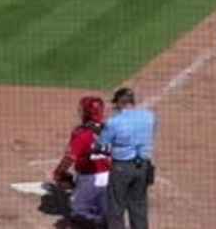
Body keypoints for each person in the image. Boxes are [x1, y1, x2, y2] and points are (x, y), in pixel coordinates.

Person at [99, 86, 157, 229]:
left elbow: (103, 147)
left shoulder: (114, 122)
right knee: (138, 205)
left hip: (121, 168)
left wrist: (100, 131)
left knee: (116, 207)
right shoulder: (150, 117)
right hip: (143, 166)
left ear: (119, 102)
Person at [51, 94, 113, 227]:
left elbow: (69, 158)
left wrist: (58, 173)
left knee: (79, 215)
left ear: (86, 112)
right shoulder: (110, 130)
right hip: (110, 178)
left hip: (88, 179)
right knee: (105, 214)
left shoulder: (81, 133)